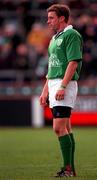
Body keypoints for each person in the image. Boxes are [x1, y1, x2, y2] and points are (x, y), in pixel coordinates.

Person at [39, 4, 83, 177]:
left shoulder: (72, 34)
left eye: (51, 18)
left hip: (65, 83)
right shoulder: (54, 38)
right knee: (66, 128)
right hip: (54, 84)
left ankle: (68, 168)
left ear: (62, 18)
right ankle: (70, 169)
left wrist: (63, 86)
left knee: (58, 128)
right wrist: (45, 91)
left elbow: (73, 62)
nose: (48, 21)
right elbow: (51, 68)